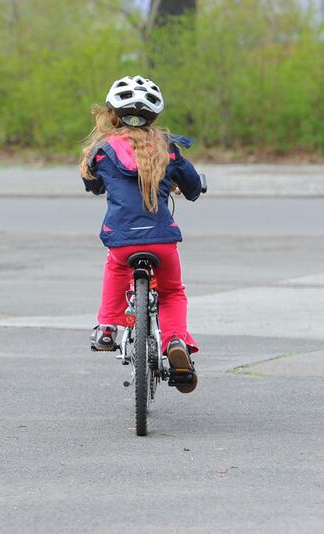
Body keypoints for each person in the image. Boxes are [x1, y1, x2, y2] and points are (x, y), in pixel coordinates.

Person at [79, 75, 203, 393]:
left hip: (121, 240)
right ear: (154, 117)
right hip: (162, 241)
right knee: (172, 292)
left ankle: (107, 327)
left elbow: (92, 184)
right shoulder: (168, 149)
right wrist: (188, 184)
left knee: (115, 268)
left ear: (114, 115)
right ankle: (175, 340)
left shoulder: (103, 151)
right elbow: (191, 187)